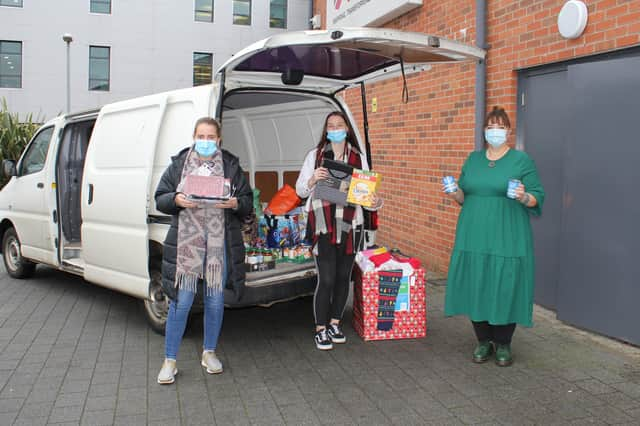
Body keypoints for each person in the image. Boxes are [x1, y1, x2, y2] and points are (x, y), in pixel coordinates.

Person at [443, 106, 545, 366]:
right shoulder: (473, 159)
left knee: (504, 285)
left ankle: (503, 344)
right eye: (491, 126)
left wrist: (524, 196)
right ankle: (482, 341)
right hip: (473, 233)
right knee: (478, 282)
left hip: (507, 234)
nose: (495, 131)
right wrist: (454, 192)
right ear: (484, 131)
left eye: (500, 126)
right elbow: (463, 197)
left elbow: (537, 197)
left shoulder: (521, 161)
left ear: (509, 131)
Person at [155, 117, 252, 384]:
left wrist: (233, 203)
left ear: (219, 140)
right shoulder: (180, 164)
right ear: (194, 136)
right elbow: (160, 197)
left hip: (218, 250)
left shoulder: (230, 165)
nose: (206, 141)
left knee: (214, 301)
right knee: (182, 301)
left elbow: (247, 201)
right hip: (188, 247)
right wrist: (176, 199)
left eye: (211, 137)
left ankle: (209, 352)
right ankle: (169, 360)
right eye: (201, 136)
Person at [296, 111, 382, 350]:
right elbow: (301, 191)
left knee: (344, 277)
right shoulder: (314, 156)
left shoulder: (358, 158)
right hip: (323, 225)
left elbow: (365, 196)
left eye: (339, 125)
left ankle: (335, 323)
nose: (335, 129)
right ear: (326, 130)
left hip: (350, 225)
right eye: (331, 126)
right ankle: (320, 328)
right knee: (327, 278)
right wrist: (313, 179)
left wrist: (375, 202)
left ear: (346, 129)